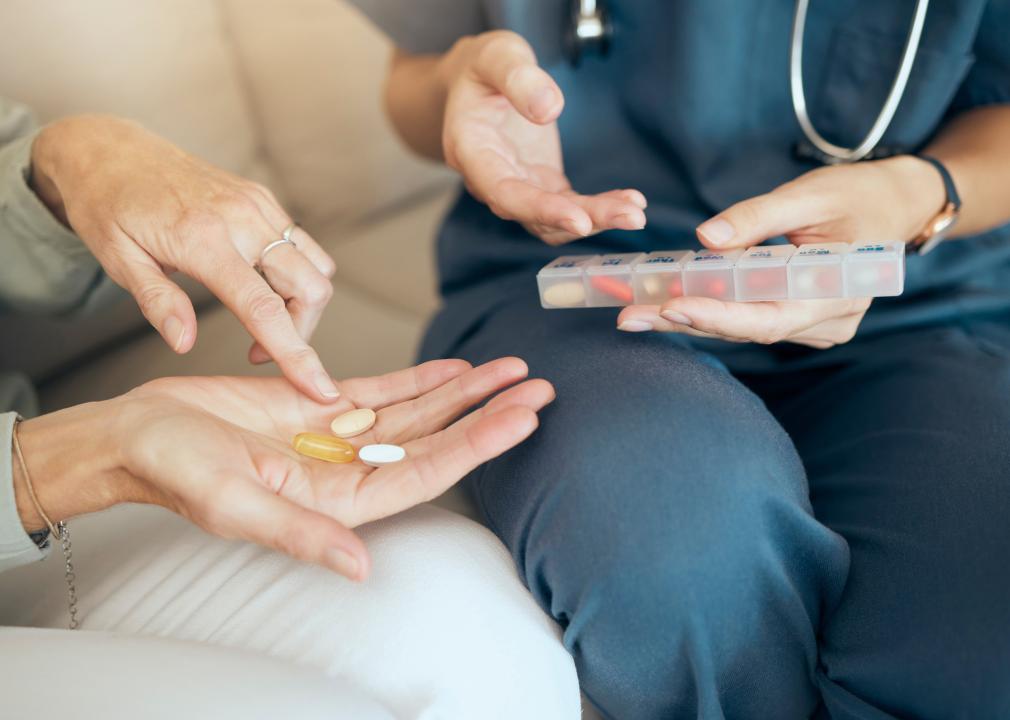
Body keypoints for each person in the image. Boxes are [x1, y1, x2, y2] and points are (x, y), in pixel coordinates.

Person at [348, 1, 1010, 718]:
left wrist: (922, 193)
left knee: (977, 640)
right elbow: (410, 79)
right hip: (578, 288)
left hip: (921, 300)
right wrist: (455, 81)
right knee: (670, 557)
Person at [0, 97, 581, 717]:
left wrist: (71, 160)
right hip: (34, 475)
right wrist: (57, 466)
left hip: (30, 488)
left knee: (471, 630)